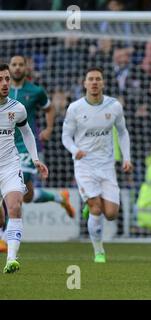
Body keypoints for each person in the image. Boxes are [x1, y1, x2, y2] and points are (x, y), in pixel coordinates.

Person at [0, 56, 75, 253]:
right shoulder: (4, 89)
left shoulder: (35, 91)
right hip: (5, 142)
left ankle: (5, 239)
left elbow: (49, 108)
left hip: (24, 146)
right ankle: (60, 198)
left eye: (20, 65)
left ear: (26, 68)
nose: (17, 68)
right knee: (27, 195)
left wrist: (49, 128)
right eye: (13, 65)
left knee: (16, 191)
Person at [62, 66, 133, 263]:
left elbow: (122, 132)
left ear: (103, 83)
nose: (94, 82)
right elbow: (65, 137)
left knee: (110, 213)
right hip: (84, 165)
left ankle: (90, 204)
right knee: (96, 208)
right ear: (84, 83)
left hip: (107, 165)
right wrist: (75, 151)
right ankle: (99, 251)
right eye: (90, 79)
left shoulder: (114, 106)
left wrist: (126, 158)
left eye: (98, 79)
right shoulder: (75, 108)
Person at [0, 64, 48, 273]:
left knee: (15, 207)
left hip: (10, 164)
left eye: (7, 79)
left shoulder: (17, 108)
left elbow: (27, 133)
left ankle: (11, 259)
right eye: (0, 79)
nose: (4, 84)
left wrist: (36, 159)